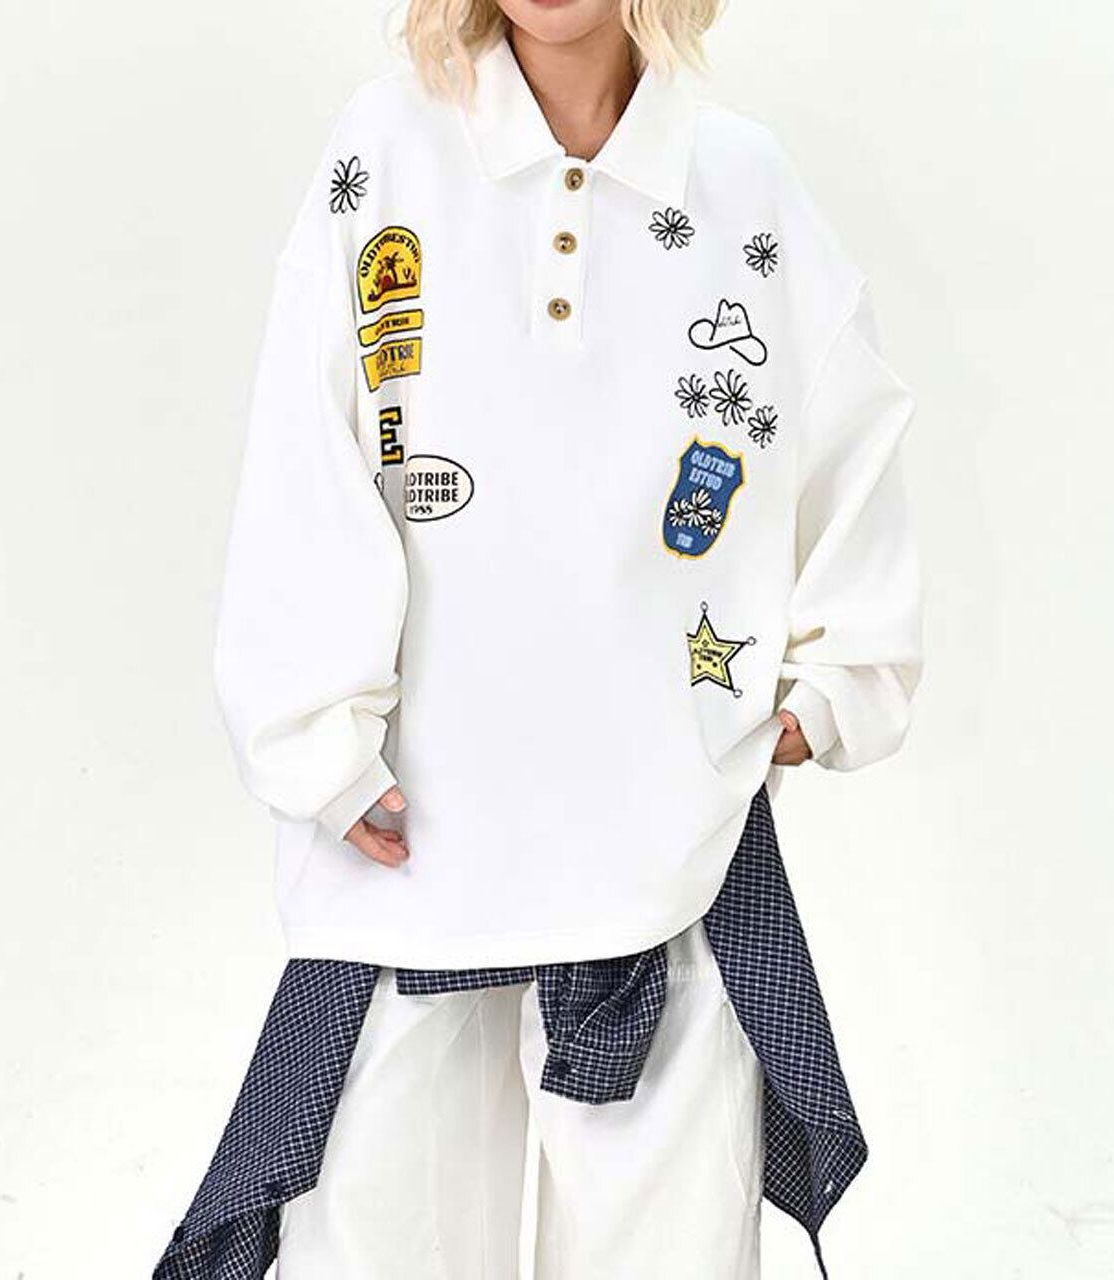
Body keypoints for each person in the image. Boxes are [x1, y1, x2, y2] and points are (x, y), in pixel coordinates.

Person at [154, 1, 922, 1277]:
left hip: (665, 856)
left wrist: (832, 684)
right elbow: (309, 440)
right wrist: (315, 740)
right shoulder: (386, 151)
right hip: (408, 853)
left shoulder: (740, 182)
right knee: (379, 1244)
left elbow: (850, 422)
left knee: (661, 1250)